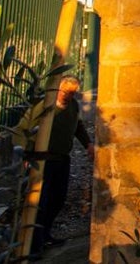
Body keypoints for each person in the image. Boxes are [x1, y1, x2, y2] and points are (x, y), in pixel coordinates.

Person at [18, 75, 94, 254]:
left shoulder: (73, 106)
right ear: (57, 89)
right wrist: (26, 154)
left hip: (62, 158)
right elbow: (24, 128)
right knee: (39, 202)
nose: (67, 95)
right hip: (42, 160)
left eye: (72, 92)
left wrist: (88, 144)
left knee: (57, 199)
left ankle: (45, 235)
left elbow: (78, 126)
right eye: (65, 91)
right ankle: (33, 245)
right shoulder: (44, 105)